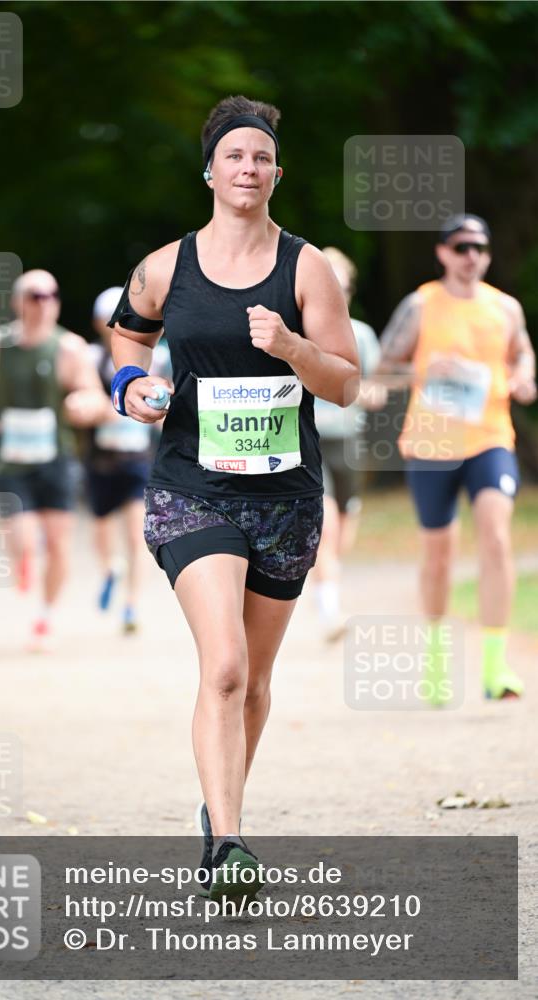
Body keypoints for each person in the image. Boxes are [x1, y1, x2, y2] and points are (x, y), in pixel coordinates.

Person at [109, 95, 359, 899]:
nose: (247, 168)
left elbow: (348, 383)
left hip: (286, 497)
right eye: (234, 156)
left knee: (252, 682)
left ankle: (217, 810)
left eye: (260, 157)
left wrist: (290, 346)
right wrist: (129, 385)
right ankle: (229, 847)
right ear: (209, 170)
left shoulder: (305, 266)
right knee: (222, 668)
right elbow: (125, 335)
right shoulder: (164, 266)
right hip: (192, 487)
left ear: (275, 173)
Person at [378, 214, 536, 702]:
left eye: (481, 249)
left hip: (490, 437)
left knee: (495, 537)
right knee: (439, 554)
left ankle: (495, 669)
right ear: (443, 253)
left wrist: (523, 376)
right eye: (463, 247)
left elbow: (522, 352)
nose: (473, 257)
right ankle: (436, 666)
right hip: (432, 443)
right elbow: (382, 369)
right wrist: (426, 371)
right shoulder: (420, 305)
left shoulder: (504, 307)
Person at [0, 269, 107, 651]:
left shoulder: (69, 348)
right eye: (35, 296)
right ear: (17, 301)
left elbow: (94, 397)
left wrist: (82, 404)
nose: (44, 303)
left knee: (58, 544)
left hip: (55, 458)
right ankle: (24, 560)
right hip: (11, 460)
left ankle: (45, 615)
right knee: (24, 540)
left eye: (51, 295)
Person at [310, 248, 386, 640]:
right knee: (325, 528)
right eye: (330, 285)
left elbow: (376, 384)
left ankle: (323, 580)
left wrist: (370, 393)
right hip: (311, 439)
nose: (339, 293)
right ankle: (329, 608)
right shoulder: (301, 331)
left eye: (345, 286)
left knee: (344, 532)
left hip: (350, 440)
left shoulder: (363, 335)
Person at [87, 287, 169, 634]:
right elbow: (83, 402)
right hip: (101, 459)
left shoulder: (159, 358)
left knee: (138, 535)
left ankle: (131, 606)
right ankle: (110, 569)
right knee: (102, 532)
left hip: (139, 458)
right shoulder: (92, 359)